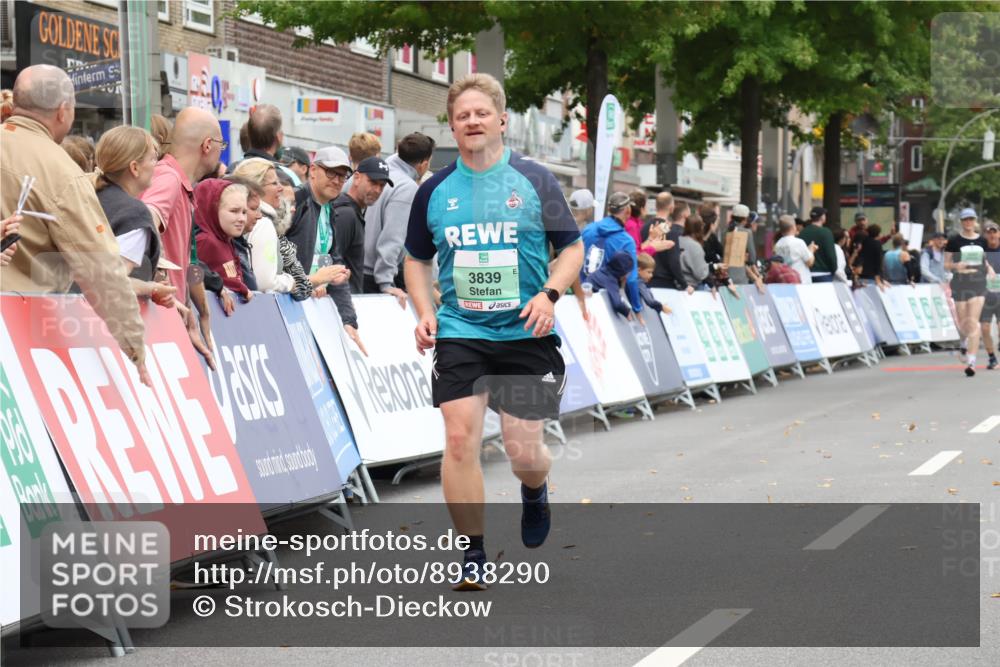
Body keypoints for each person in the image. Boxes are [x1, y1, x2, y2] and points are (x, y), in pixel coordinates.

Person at [403, 72, 583, 591]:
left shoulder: (536, 180)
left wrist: (549, 295)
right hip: (461, 330)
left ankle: (535, 489)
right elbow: (416, 260)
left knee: (522, 450)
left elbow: (571, 248)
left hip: (525, 332)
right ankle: (474, 552)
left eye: (481, 113)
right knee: (459, 437)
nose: (472, 121)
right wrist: (424, 310)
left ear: (501, 120)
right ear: (452, 128)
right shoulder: (434, 189)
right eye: (462, 116)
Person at [0, 64, 148, 382]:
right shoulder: (62, 173)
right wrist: (135, 347)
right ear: (64, 111)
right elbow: (101, 268)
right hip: (23, 336)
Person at [141, 105, 229, 369]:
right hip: (156, 323)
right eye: (221, 145)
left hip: (169, 320)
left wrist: (201, 307)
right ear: (207, 145)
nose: (220, 152)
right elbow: (143, 223)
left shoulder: (181, 185)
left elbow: (190, 261)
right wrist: (163, 285)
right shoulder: (167, 178)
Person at [285, 146, 364, 351]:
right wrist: (311, 281)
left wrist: (349, 320)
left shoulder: (332, 209)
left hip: (308, 308)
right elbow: (274, 255)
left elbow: (334, 264)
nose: (337, 180)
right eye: (331, 172)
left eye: (342, 175)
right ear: (313, 171)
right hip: (286, 307)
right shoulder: (296, 201)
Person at [93, 125, 178, 307]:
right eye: (153, 159)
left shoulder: (88, 196)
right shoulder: (133, 213)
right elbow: (112, 283)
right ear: (135, 168)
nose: (156, 166)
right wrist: (151, 288)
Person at [364, 132, 436, 300]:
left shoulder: (373, 172)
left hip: (354, 268)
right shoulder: (407, 187)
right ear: (424, 164)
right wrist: (386, 283)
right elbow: (393, 238)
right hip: (375, 277)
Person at [232, 158, 314, 299]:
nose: (280, 188)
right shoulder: (263, 224)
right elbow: (265, 282)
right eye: (274, 183)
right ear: (256, 187)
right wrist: (291, 282)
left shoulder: (245, 220)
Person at [946, 208, 997, 376]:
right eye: (965, 220)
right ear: (961, 221)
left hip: (978, 283)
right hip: (960, 283)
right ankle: (963, 341)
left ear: (975, 221)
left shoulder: (982, 241)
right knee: (964, 323)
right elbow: (946, 264)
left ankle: (971, 362)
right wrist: (955, 266)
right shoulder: (954, 241)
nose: (968, 222)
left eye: (971, 219)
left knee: (973, 322)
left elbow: (984, 259)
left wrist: (989, 268)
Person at [331, 156, 392, 294]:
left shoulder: (352, 210)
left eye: (381, 185)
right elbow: (330, 262)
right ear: (357, 177)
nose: (377, 190)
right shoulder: (346, 214)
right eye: (373, 182)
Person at [582, 191, 644, 318]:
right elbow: (632, 280)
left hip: (580, 295)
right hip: (607, 300)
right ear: (628, 211)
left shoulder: (588, 229)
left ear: (609, 209)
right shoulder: (626, 240)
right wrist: (637, 309)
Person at [195, 180, 254, 301]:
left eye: (244, 212)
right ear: (213, 210)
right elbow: (193, 274)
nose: (242, 219)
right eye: (234, 211)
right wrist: (240, 288)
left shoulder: (227, 241)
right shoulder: (205, 241)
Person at [223, 175, 261, 293]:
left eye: (244, 212)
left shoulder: (237, 242)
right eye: (254, 209)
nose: (259, 216)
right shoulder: (208, 243)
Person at [648, 193, 688, 291]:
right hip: (665, 284)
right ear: (671, 207)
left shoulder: (645, 228)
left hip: (645, 282)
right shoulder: (670, 230)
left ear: (656, 206)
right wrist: (684, 284)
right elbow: (674, 261)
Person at [588, 251, 635, 318]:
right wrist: (627, 312)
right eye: (628, 273)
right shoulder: (611, 281)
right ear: (623, 272)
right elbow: (617, 304)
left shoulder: (603, 270)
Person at [979, 220, 1000, 370]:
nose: (992, 235)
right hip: (985, 296)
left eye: (994, 232)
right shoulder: (981, 251)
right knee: (985, 328)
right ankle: (992, 357)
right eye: (989, 232)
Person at [772, 214, 815, 284]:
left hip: (785, 281)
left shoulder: (777, 245)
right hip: (801, 281)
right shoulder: (799, 242)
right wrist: (811, 250)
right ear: (793, 227)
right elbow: (809, 262)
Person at [799, 206, 837, 282]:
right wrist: (834, 269)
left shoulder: (802, 233)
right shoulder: (826, 232)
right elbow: (830, 255)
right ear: (822, 217)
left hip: (807, 274)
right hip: (824, 274)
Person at [679, 215, 710, 292]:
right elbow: (700, 274)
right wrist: (711, 268)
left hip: (678, 284)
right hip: (693, 287)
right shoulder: (695, 246)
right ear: (699, 228)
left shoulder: (677, 240)